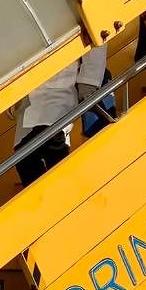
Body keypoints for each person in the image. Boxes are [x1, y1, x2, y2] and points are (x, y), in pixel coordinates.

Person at [14, 46, 108, 186]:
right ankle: (45, 195)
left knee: (52, 140)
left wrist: (88, 82)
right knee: (23, 156)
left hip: (61, 85)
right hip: (29, 93)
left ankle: (61, 190)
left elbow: (97, 41)